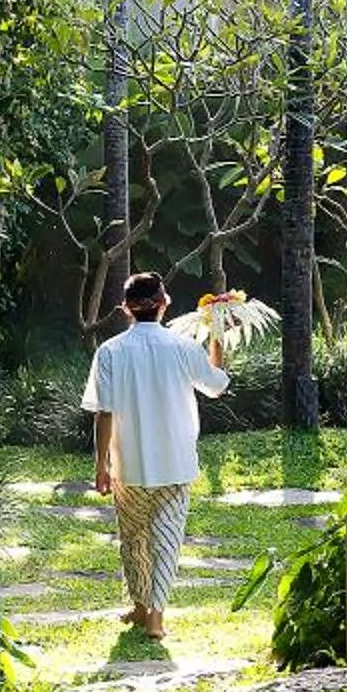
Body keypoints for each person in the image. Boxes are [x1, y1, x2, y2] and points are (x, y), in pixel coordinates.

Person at [81, 271, 231, 638]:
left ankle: (139, 605)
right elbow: (216, 384)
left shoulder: (111, 351)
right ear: (164, 304)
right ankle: (155, 616)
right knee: (166, 538)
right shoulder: (182, 348)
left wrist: (101, 465)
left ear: (126, 308)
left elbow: (104, 413)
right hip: (175, 463)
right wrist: (217, 335)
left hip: (127, 464)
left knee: (133, 537)